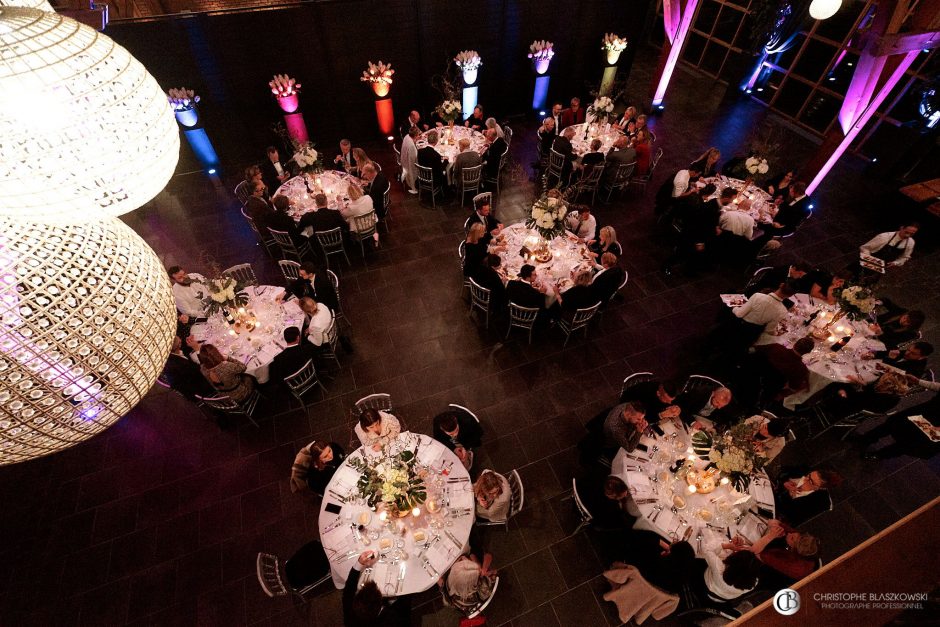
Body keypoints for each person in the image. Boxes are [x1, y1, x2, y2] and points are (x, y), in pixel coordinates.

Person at [855, 376, 940, 461]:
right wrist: (919, 381)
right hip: (929, 409)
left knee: (914, 441)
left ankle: (881, 455)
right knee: (895, 422)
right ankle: (866, 439)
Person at [343, 551, 411, 627]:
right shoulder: (394, 620)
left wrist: (359, 563)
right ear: (380, 601)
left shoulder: (351, 615)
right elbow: (405, 606)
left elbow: (348, 592)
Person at [734, 282, 796, 347]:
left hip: (738, 325)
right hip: (753, 334)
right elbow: (769, 330)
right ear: (790, 296)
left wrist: (734, 307)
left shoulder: (757, 296)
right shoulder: (783, 311)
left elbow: (739, 314)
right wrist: (776, 333)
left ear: (781, 285)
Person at [775, 467, 843, 526]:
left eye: (811, 482)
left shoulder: (818, 502)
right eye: (809, 476)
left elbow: (792, 517)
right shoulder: (803, 470)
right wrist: (784, 482)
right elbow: (779, 472)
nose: (805, 479)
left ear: (820, 488)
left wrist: (788, 495)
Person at [753, 337, 815, 401]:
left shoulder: (776, 347)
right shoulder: (801, 369)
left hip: (752, 374)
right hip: (767, 389)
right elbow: (793, 388)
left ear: (795, 344)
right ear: (808, 352)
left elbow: (754, 349)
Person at [162, 336, 214, 401]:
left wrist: (191, 344)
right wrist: (197, 349)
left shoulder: (170, 356)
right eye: (180, 341)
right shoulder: (181, 366)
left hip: (191, 384)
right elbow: (205, 370)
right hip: (204, 389)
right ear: (179, 345)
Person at [865, 341, 933, 378]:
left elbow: (887, 372)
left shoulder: (916, 370)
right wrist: (873, 353)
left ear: (922, 357)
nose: (907, 353)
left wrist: (889, 359)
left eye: (913, 353)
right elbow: (888, 353)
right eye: (908, 349)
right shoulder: (909, 353)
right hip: (874, 370)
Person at [744, 262, 812, 297]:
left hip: (772, 292)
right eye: (800, 274)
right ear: (793, 268)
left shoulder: (792, 273)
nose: (800, 277)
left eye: (802, 275)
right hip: (759, 291)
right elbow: (766, 283)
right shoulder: (779, 271)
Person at [400, 126, 420, 194]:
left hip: (403, 160)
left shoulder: (407, 136)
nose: (418, 136)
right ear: (415, 135)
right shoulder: (411, 146)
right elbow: (413, 163)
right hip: (409, 166)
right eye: (418, 135)